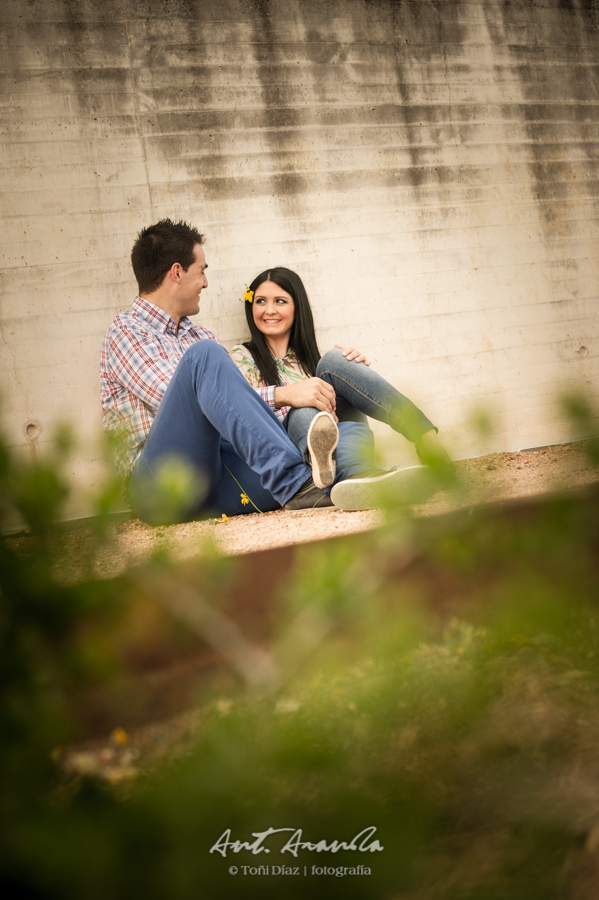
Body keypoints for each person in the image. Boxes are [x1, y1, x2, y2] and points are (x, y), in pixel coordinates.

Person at [100, 220, 347, 525]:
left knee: (328, 422)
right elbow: (176, 398)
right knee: (203, 357)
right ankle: (295, 484)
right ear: (177, 273)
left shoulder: (200, 335)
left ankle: (355, 477)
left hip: (216, 479)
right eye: (201, 270)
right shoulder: (126, 332)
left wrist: (311, 408)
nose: (205, 282)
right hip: (159, 490)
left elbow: (237, 411)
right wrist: (285, 395)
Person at [229, 267, 453, 509]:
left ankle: (423, 439)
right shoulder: (239, 358)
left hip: (342, 442)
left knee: (335, 359)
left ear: (297, 307)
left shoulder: (312, 363)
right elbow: (231, 406)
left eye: (280, 301)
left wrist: (353, 368)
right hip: (291, 455)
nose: (269, 310)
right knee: (304, 411)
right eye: (260, 301)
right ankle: (353, 475)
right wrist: (292, 397)